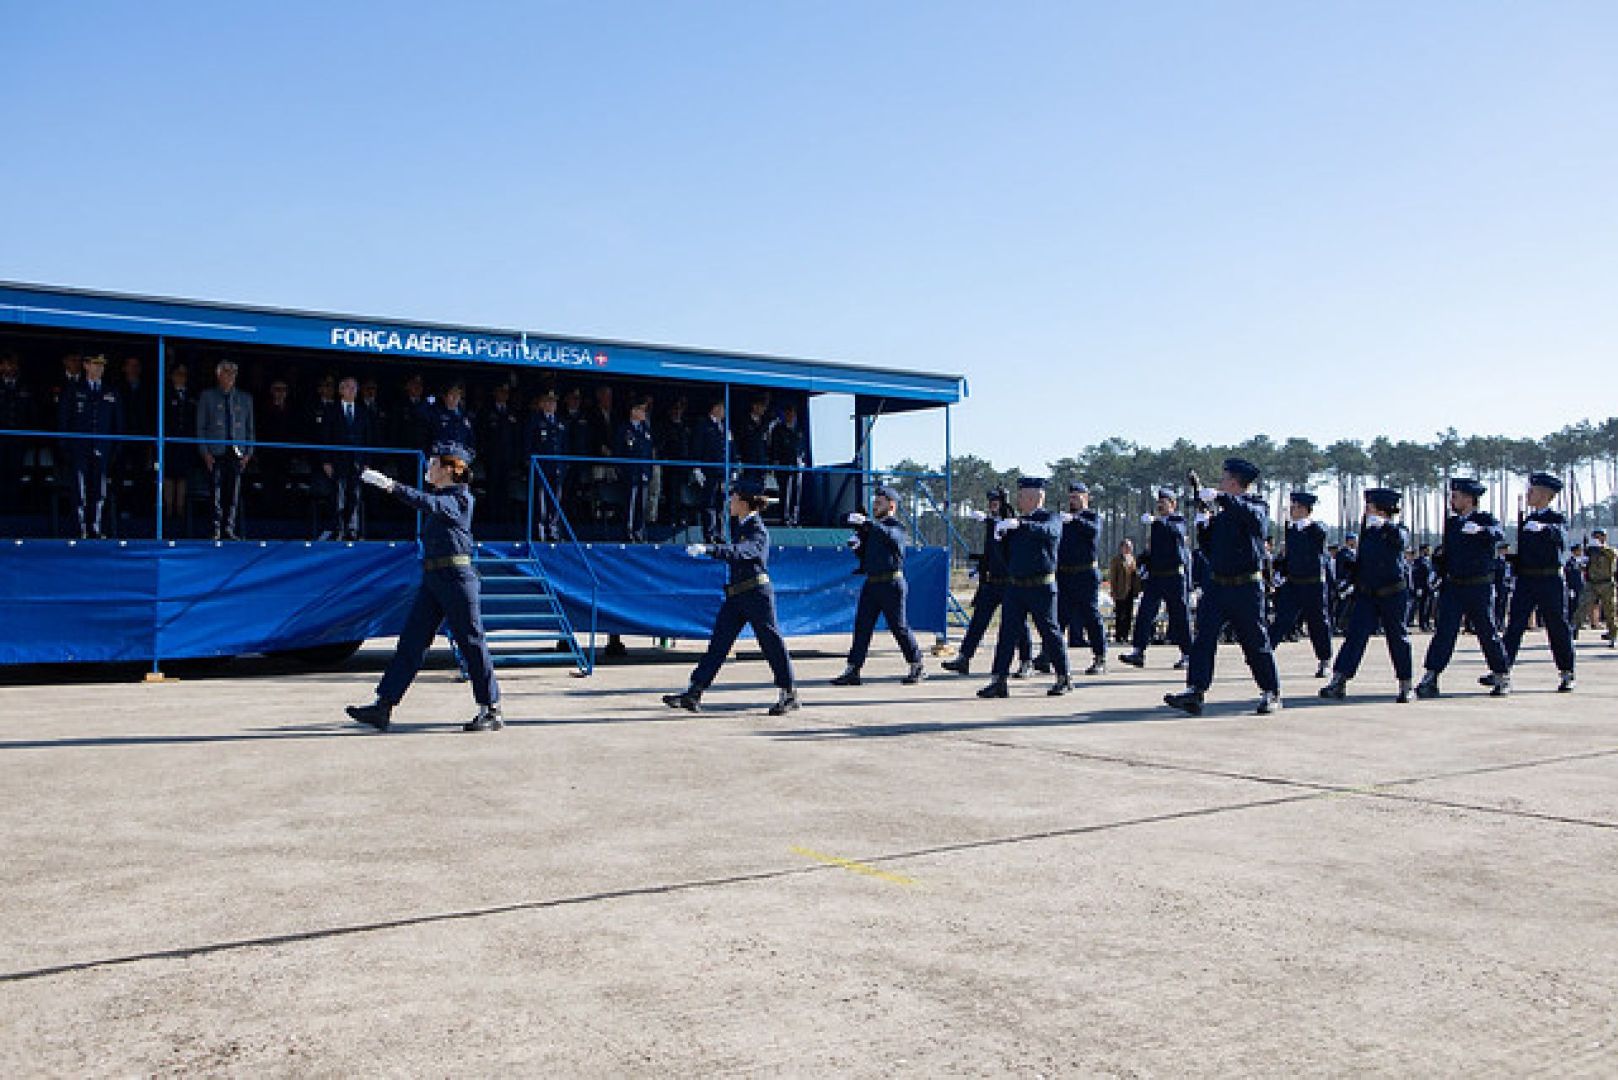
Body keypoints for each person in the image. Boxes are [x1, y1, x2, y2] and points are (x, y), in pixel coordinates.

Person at [346, 442, 503, 732]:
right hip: (434, 578)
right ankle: (383, 706)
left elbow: (429, 503)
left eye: (433, 464)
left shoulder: (460, 498)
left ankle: (490, 708)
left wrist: (390, 485)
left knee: (471, 642)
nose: (428, 469)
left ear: (448, 470)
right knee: (412, 642)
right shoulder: (443, 497)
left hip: (456, 578)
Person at [662, 478, 799, 716]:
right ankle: (694, 692)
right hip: (737, 594)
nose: (730, 502)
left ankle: (789, 693)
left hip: (756, 594)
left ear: (745, 502)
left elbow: (743, 552)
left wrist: (710, 549)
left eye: (734, 498)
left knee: (771, 643)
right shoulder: (742, 527)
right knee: (719, 643)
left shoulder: (757, 530)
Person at [1164, 458, 1282, 716]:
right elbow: (1211, 551)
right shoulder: (1224, 514)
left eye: (1224, 480)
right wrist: (1204, 524)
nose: (1219, 483)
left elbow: (1256, 522)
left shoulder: (1256, 505)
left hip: (1246, 587)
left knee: (1255, 642)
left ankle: (1271, 691)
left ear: (1234, 483)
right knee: (1203, 640)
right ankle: (1195, 690)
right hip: (1218, 586)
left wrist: (1221, 498)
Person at [1415, 478, 1512, 698]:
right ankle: (1432, 675)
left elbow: (1499, 535)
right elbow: (1447, 553)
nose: (1452, 500)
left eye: (1456, 497)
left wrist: (1481, 531)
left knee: (1487, 632)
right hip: (1454, 586)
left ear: (1469, 499)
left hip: (1479, 586)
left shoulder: (1485, 519)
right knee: (1444, 632)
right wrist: (1437, 571)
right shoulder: (1452, 523)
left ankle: (1501, 675)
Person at [976, 477, 1072, 699]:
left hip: (1041, 586)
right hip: (1016, 587)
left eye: (1021, 496)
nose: (1018, 501)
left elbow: (1048, 532)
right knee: (1007, 634)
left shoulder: (1051, 518)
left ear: (1034, 498)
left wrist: (1021, 525)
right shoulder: (1017, 522)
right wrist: (998, 537)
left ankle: (1064, 677)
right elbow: (1006, 557)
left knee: (1050, 632)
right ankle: (998, 680)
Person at [1319, 488, 1415, 703]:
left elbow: (1401, 541)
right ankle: (1339, 680)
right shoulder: (1368, 531)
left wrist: (1386, 525)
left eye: (1370, 507)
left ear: (1382, 509)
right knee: (1355, 637)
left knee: (1398, 638)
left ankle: (1406, 684)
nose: (1366, 511)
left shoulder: (1397, 529)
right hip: (1367, 594)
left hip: (1392, 593)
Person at [831, 485, 926, 686]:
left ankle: (916, 664)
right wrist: (858, 545)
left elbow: (890, 536)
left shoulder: (896, 527)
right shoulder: (874, 529)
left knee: (899, 627)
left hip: (892, 583)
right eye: (874, 503)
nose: (875, 506)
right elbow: (868, 556)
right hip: (872, 583)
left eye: (879, 503)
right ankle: (853, 669)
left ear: (891, 506)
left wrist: (866, 524)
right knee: (862, 627)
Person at [1491, 472, 1576, 692]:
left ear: (1546, 495)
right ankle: (1502, 670)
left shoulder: (1556, 519)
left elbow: (1562, 537)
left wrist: (1545, 529)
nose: (1529, 494)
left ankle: (1567, 671)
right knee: (1514, 626)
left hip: (1549, 578)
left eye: (1533, 491)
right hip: (1527, 579)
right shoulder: (1528, 520)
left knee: (1557, 626)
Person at [941, 487, 1032, 677]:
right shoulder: (992, 524)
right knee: (978, 621)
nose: (992, 505)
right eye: (990, 502)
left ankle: (1026, 661)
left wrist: (993, 522)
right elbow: (990, 552)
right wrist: (981, 569)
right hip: (991, 582)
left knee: (1019, 624)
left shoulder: (1011, 523)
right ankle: (964, 658)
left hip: (1009, 582)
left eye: (995, 501)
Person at [1118, 488, 1191, 670]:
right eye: (1159, 502)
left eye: (1163, 502)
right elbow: (1153, 550)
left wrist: (1159, 522)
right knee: (1144, 613)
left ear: (1173, 504)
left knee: (1179, 616)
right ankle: (1138, 651)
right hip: (1157, 577)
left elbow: (1176, 533)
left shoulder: (1178, 521)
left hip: (1174, 576)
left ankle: (1188, 654)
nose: (1160, 505)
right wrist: (1144, 564)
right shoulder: (1157, 525)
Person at [1041, 482, 1107, 675]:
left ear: (1086, 498)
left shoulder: (1092, 517)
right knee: (1058, 618)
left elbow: (1093, 531)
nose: (1072, 501)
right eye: (1070, 497)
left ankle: (1100, 657)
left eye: (1076, 497)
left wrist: (1075, 520)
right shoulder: (1063, 519)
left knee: (1091, 616)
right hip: (1065, 574)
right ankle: (1047, 655)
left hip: (1085, 574)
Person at [57, 353, 124, 539]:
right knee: (80, 489)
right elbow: (64, 420)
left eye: (101, 365)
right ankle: (80, 528)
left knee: (99, 490)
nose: (99, 368)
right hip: (79, 448)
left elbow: (118, 423)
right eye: (95, 364)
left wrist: (116, 447)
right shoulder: (74, 390)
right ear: (86, 365)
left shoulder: (111, 392)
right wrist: (65, 446)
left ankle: (96, 526)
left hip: (102, 448)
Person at [1268, 491, 1333, 677]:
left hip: (1313, 585)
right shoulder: (1292, 530)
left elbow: (1320, 536)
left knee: (1317, 622)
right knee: (1282, 619)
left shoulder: (1315, 528)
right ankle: (1264, 652)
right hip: (1293, 583)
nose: (1292, 510)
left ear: (1304, 509)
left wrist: (1305, 525)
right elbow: (1290, 557)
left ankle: (1324, 660)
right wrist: (1281, 571)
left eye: (1295, 507)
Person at [196, 359, 255, 540]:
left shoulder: (245, 398)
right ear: (218, 374)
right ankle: (215, 529)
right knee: (216, 491)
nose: (230, 376)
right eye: (227, 372)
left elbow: (250, 429)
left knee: (233, 492)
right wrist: (205, 452)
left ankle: (229, 528)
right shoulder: (207, 396)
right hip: (216, 451)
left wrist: (248, 453)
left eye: (233, 373)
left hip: (237, 452)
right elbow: (201, 427)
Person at [320, 376, 377, 540]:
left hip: (357, 461)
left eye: (354, 388)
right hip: (337, 460)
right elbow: (325, 436)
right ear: (340, 391)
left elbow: (368, 438)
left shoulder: (363, 412)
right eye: (348, 387)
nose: (351, 391)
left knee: (355, 495)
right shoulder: (331, 411)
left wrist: (367, 462)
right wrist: (326, 461)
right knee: (338, 495)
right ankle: (338, 529)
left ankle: (353, 530)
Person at [525, 388, 569, 541]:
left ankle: (553, 530)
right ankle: (541, 531)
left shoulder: (560, 422)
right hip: (541, 467)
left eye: (553, 402)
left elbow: (565, 445)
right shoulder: (535, 421)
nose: (551, 405)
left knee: (556, 500)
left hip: (557, 467)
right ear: (542, 404)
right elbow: (528, 443)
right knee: (541, 501)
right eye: (548, 402)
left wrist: (564, 464)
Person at [476, 382, 522, 526]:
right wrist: (483, 454)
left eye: (506, 392)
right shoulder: (487, 412)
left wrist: (516, 458)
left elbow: (517, 437)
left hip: (507, 458)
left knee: (506, 488)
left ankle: (504, 519)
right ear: (495, 393)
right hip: (492, 458)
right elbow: (481, 434)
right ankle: (491, 518)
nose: (504, 395)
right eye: (501, 391)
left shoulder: (513, 412)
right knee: (492, 488)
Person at [0, 352, 37, 513]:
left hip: (18, 440)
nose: (11, 368)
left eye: (13, 364)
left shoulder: (25, 386)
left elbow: (32, 413)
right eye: (7, 364)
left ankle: (14, 510)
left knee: (16, 474)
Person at [616, 396, 655, 541]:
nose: (644, 413)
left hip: (643, 473)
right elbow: (618, 451)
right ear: (633, 411)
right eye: (641, 410)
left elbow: (649, 452)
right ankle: (628, 532)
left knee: (641, 505)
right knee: (630, 505)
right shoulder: (624, 429)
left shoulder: (646, 429)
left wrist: (648, 471)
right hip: (630, 473)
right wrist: (621, 470)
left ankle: (639, 532)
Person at [693, 400, 731, 544]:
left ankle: (720, 534)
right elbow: (697, 445)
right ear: (715, 408)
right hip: (709, 471)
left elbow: (730, 448)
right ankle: (709, 534)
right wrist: (697, 467)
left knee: (721, 504)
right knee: (709, 503)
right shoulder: (703, 425)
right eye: (722, 408)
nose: (724, 412)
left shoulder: (725, 427)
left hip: (723, 471)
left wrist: (733, 469)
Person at [1572, 528, 1617, 646]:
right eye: (1594, 536)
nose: (1596, 538)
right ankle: (1574, 630)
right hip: (1592, 584)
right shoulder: (1591, 552)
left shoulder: (1609, 551)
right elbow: (1584, 566)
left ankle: (1613, 634)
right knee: (1583, 606)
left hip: (1606, 584)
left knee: (1610, 610)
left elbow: (1613, 556)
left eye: (1598, 536)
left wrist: (1601, 547)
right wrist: (1582, 562)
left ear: (1604, 537)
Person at [769, 402, 806, 526]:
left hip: (797, 466)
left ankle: (795, 518)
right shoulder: (778, 430)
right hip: (784, 465)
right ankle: (784, 518)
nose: (790, 415)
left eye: (793, 413)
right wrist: (776, 463)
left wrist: (802, 460)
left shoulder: (799, 430)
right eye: (788, 413)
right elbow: (774, 448)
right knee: (785, 492)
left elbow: (802, 447)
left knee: (797, 493)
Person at [1107, 539, 1140, 643]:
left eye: (1130, 547)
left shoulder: (1132, 559)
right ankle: (1119, 635)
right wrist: (1113, 590)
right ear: (1121, 548)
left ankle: (1126, 634)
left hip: (1130, 591)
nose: (1129, 548)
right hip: (1120, 591)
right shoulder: (1116, 560)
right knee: (1120, 614)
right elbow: (1113, 577)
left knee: (1129, 614)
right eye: (1126, 546)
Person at [1410, 544, 1437, 630]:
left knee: (1428, 606)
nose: (1429, 551)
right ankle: (1422, 624)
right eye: (1427, 550)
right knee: (1423, 606)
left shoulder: (1430, 561)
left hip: (1430, 586)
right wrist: (1418, 587)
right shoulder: (1418, 561)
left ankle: (1427, 623)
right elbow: (1416, 575)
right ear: (1423, 550)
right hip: (1422, 586)